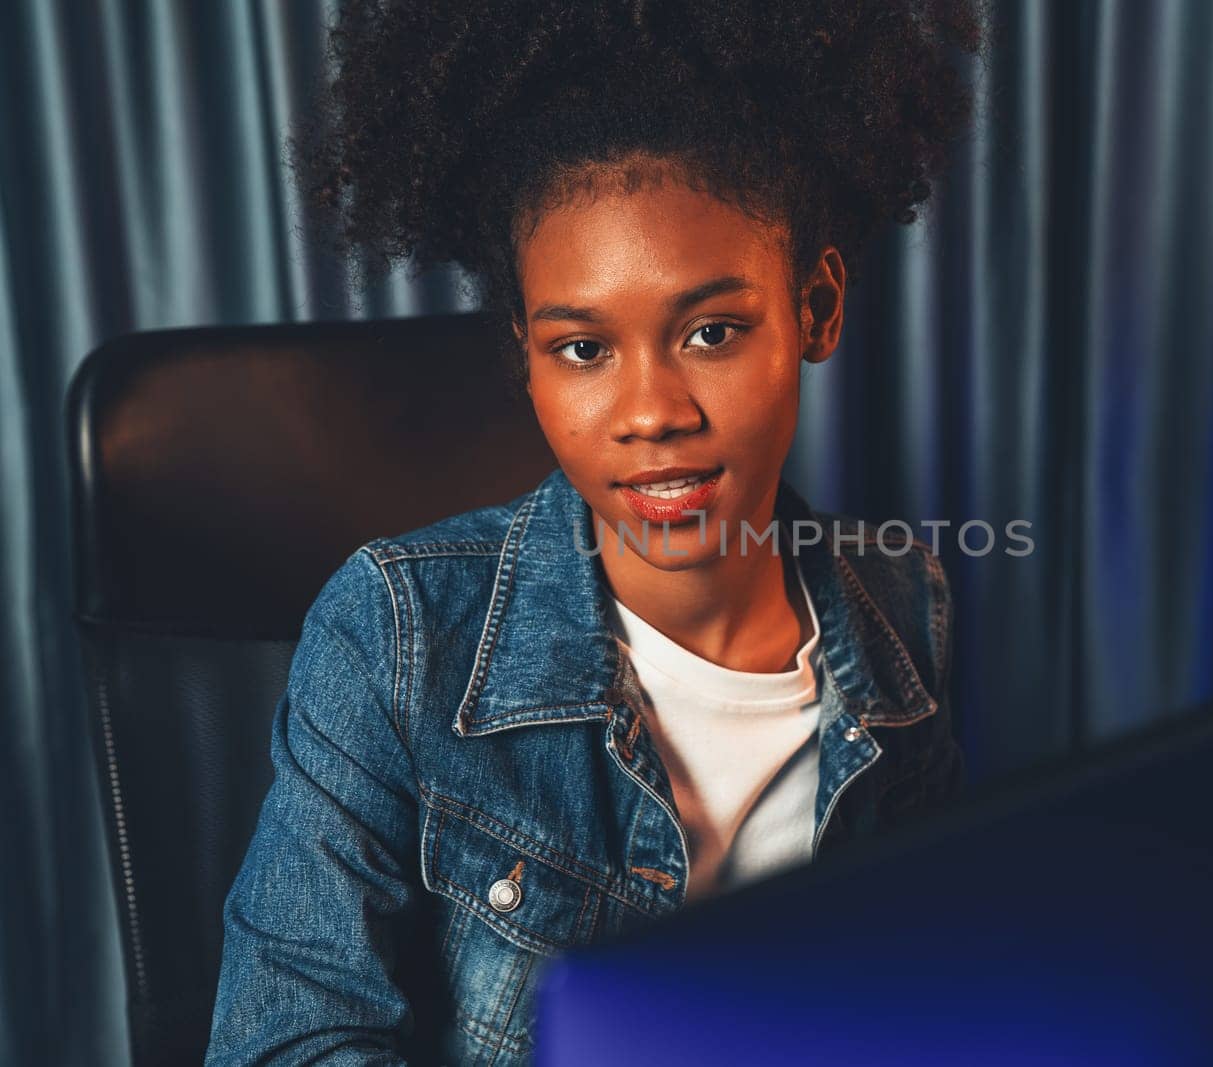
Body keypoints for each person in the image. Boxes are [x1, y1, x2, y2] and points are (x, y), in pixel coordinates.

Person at [206, 0, 984, 1062]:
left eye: (711, 331)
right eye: (582, 350)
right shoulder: (394, 632)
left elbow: (919, 982)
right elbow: (287, 1043)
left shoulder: (901, 608)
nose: (652, 409)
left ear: (816, 307)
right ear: (523, 352)